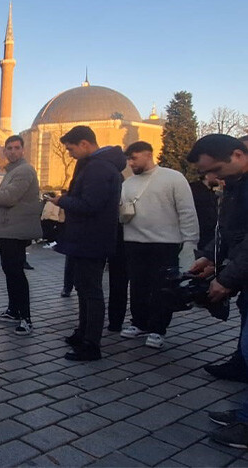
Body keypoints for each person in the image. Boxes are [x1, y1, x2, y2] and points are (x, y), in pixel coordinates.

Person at [184, 134, 248, 448]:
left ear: (238, 154)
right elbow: (231, 230)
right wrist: (210, 257)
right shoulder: (236, 184)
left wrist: (227, 278)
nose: (213, 177)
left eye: (218, 169)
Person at [48, 125, 125, 361]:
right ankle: (83, 333)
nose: (69, 153)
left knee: (91, 291)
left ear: (84, 144)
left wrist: (62, 201)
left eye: (71, 149)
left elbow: (91, 205)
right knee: (83, 288)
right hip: (86, 238)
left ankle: (91, 344)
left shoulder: (98, 168)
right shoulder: (95, 166)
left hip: (91, 239)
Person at [119, 141, 199, 349]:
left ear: (148, 155)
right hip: (134, 242)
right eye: (128, 159)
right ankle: (139, 323)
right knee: (137, 286)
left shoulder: (173, 178)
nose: (130, 163)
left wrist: (190, 240)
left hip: (165, 243)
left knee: (162, 288)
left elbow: (186, 211)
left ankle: (157, 329)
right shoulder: (128, 184)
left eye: (134, 158)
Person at [0, 135, 42, 336]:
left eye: (16, 148)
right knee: (9, 270)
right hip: (8, 229)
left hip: (16, 230)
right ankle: (13, 311)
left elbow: (9, 198)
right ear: (5, 151)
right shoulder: (12, 171)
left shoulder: (24, 170)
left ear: (23, 150)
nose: (13, 151)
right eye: (9, 148)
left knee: (16, 273)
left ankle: (26, 318)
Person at [190, 171, 222, 254]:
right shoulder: (194, 190)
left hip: (208, 240)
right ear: (207, 175)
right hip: (198, 239)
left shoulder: (210, 193)